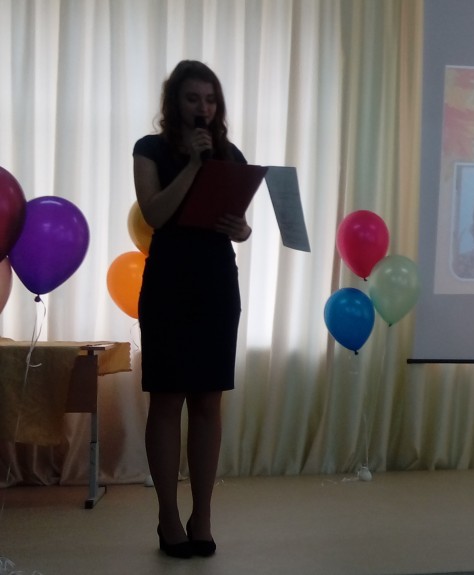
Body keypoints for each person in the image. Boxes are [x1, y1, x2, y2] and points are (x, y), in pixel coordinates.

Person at [132, 60, 252, 559]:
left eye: (210, 99)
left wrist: (242, 230)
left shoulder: (231, 154)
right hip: (169, 282)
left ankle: (202, 516)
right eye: (192, 98)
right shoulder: (150, 149)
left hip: (215, 282)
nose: (203, 107)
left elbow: (238, 224)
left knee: (207, 401)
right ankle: (167, 517)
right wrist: (195, 167)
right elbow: (155, 213)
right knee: (167, 399)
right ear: (174, 103)